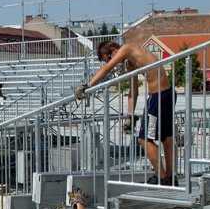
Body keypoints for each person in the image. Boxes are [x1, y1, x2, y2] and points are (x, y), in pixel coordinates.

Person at [75, 40, 177, 186]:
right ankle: (171, 177)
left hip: (158, 96)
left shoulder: (127, 47)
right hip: (167, 93)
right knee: (166, 138)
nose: (111, 62)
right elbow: (133, 90)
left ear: (113, 50)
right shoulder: (131, 61)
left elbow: (107, 69)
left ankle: (162, 177)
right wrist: (130, 114)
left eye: (108, 58)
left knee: (144, 140)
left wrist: (88, 85)